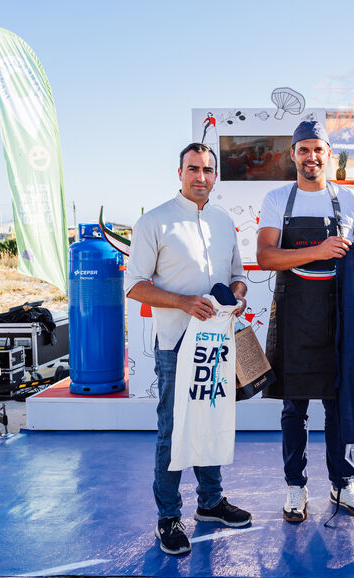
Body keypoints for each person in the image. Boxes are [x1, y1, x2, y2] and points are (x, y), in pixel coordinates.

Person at [125, 143, 252, 556]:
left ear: (216, 176)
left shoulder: (222, 223)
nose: (201, 177)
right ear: (179, 172)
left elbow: (237, 277)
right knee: (173, 429)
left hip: (217, 343)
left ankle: (211, 503)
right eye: (193, 169)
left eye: (208, 170)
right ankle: (168, 516)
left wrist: (238, 294)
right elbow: (135, 284)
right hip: (176, 344)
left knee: (211, 419)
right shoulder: (154, 221)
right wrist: (183, 302)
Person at [257, 121, 354, 523]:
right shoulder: (278, 199)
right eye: (304, 149)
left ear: (329, 154)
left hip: (338, 314)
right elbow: (267, 258)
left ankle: (342, 483)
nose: (311, 156)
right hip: (295, 313)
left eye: (318, 149)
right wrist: (320, 250)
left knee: (338, 403)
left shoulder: (349, 199)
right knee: (294, 407)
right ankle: (296, 486)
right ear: (293, 154)